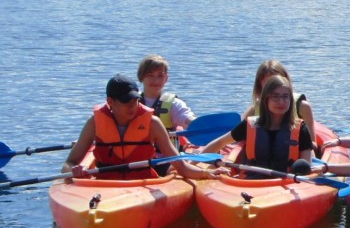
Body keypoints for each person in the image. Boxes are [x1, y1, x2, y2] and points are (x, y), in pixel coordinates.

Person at [62, 74, 211, 181]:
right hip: (105, 185)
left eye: (135, 100)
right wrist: (74, 171)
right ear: (110, 102)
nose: (133, 106)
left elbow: (181, 166)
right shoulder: (94, 123)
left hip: (142, 184)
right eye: (126, 102)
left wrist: (207, 174)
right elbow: (68, 164)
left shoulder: (152, 123)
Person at [203, 74, 316, 176]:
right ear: (265, 100)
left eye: (285, 97)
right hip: (252, 183)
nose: (281, 101)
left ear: (291, 100)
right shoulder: (248, 125)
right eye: (275, 96)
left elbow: (306, 166)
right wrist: (192, 164)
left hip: (287, 184)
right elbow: (220, 142)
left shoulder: (301, 130)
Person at [244, 59, 316, 139]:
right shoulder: (253, 111)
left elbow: (313, 143)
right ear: (260, 86)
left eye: (277, 82)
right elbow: (238, 141)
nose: (274, 87)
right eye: (268, 83)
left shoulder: (302, 107)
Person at [137, 54, 196, 132]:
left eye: (160, 75)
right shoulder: (131, 101)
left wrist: (200, 123)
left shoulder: (174, 104)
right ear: (141, 77)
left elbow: (190, 120)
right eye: (150, 75)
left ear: (166, 78)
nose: (156, 81)